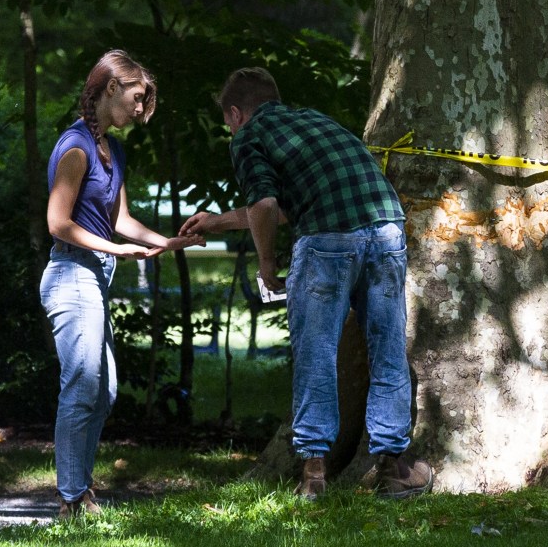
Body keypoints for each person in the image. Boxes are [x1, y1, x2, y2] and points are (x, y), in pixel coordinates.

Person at [180, 67, 432, 499]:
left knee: (316, 353)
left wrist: (266, 265)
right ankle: (395, 469)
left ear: (236, 113)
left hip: (327, 241)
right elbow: (281, 207)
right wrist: (217, 222)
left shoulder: (248, 136)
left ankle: (313, 476)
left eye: (228, 121)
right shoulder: (315, 121)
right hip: (387, 227)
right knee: (387, 347)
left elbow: (264, 202)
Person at [40, 50, 203, 518]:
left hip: (94, 276)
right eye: (136, 97)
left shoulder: (114, 150)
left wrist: (167, 242)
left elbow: (121, 219)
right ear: (111, 87)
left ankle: (79, 489)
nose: (140, 109)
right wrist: (116, 250)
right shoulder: (76, 147)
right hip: (72, 274)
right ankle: (72, 498)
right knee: (83, 384)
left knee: (104, 389)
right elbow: (57, 222)